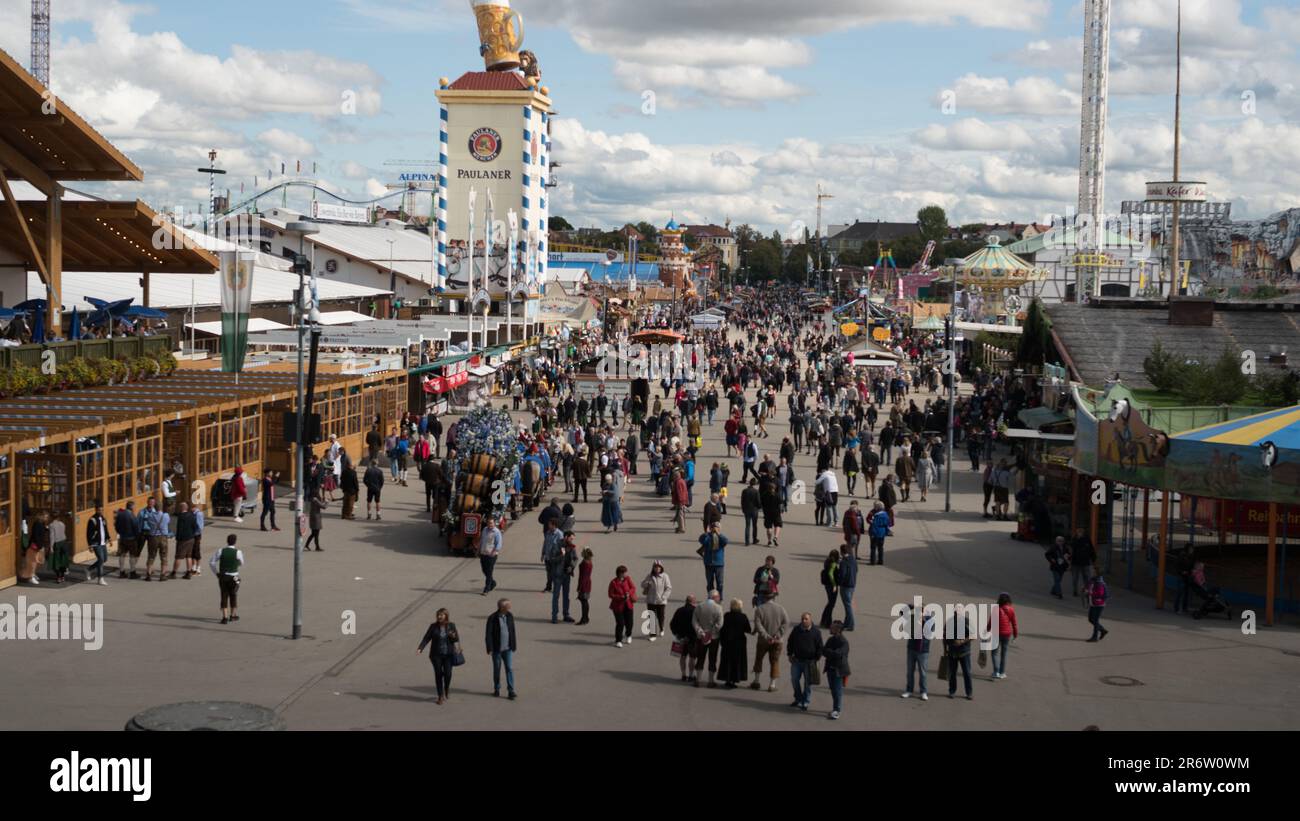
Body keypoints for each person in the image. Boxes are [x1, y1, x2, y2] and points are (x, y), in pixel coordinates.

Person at [416, 608, 460, 704]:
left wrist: (453, 636)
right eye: (438, 615)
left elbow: (456, 639)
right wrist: (420, 648)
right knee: (438, 674)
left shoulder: (451, 625)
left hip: (448, 654)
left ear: (446, 616)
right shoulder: (433, 626)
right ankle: (440, 696)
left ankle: (446, 689)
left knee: (448, 674)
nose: (439, 616)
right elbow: (426, 638)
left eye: (441, 615)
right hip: (436, 655)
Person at [751, 593, 790, 692]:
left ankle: (756, 681)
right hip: (777, 641)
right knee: (774, 661)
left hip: (763, 641)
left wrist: (766, 636)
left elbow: (758, 625)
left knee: (759, 659)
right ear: (774, 598)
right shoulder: (781, 609)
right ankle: (772, 685)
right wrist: (777, 635)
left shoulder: (759, 609)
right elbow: (786, 623)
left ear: (764, 598)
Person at [787, 612, 823, 711]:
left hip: (810, 662)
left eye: (806, 619)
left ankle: (805, 701)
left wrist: (816, 658)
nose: (804, 621)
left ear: (810, 620)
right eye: (802, 619)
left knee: (808, 683)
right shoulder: (796, 630)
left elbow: (820, 647)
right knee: (794, 680)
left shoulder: (816, 632)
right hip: (797, 661)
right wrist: (789, 654)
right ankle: (798, 698)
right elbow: (790, 642)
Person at [485, 598, 518, 699]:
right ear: (502, 607)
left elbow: (512, 630)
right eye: (508, 605)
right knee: (497, 669)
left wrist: (514, 644)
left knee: (509, 668)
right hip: (496, 649)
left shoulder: (510, 616)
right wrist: (489, 648)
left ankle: (511, 690)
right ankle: (497, 688)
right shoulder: (492, 618)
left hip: (507, 648)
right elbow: (488, 634)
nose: (510, 607)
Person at [691, 590, 724, 688]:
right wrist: (711, 632)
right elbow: (720, 624)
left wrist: (700, 631)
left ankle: (698, 679)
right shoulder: (718, 608)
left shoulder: (699, 606)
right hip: (714, 637)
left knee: (700, 657)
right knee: (712, 658)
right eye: (718, 597)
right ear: (715, 597)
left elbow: (694, 621)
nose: (719, 598)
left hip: (701, 637)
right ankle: (711, 681)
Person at [209, 534, 244, 624]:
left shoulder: (220, 551)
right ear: (235, 542)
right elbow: (241, 563)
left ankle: (224, 617)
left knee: (224, 595)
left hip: (223, 576)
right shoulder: (238, 552)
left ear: (227, 541)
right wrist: (236, 565)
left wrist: (216, 573)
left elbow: (212, 562)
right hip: (234, 576)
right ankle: (232, 615)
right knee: (234, 594)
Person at [718, 599, 752, 689]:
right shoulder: (743, 617)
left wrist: (721, 640)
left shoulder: (726, 616)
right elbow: (748, 629)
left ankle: (727, 679)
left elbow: (722, 629)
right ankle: (734, 679)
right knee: (737, 662)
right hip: (739, 643)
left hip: (727, 642)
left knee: (727, 661)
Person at [902, 603, 932, 700]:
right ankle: (909, 690)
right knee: (910, 672)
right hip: (911, 649)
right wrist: (911, 606)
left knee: (922, 673)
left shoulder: (929, 621)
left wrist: (924, 621)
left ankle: (923, 692)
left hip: (923, 651)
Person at [822, 621, 850, 720]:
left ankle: (837, 710)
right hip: (830, 669)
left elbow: (839, 654)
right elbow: (824, 651)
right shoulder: (830, 639)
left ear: (838, 630)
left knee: (837, 690)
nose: (830, 628)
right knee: (833, 690)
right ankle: (835, 707)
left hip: (839, 671)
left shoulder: (844, 642)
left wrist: (830, 652)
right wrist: (831, 652)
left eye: (832, 627)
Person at [944, 610, 974, 699]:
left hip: (964, 652)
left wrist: (962, 641)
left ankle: (969, 693)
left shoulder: (967, 622)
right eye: (956, 613)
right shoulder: (949, 622)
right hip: (952, 652)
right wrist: (945, 649)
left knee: (967, 673)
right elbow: (944, 636)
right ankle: (952, 691)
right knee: (952, 673)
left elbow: (973, 636)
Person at [640, 561, 672, 640]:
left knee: (661, 616)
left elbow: (668, 588)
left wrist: (663, 597)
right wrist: (647, 583)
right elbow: (642, 584)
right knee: (652, 617)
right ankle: (653, 634)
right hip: (651, 600)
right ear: (653, 568)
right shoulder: (650, 576)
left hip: (661, 601)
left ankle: (661, 628)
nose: (657, 568)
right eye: (655, 567)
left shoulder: (665, 576)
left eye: (658, 567)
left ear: (661, 568)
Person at [670, 594, 698, 683]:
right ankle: (691, 675)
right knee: (692, 657)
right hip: (692, 638)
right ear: (693, 602)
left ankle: (683, 674)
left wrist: (676, 634)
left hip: (681, 637)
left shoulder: (679, 610)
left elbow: (672, 624)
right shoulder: (695, 611)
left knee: (683, 656)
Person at [697, 521, 727, 598]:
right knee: (710, 583)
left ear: (719, 529)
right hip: (708, 563)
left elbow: (725, 541)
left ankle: (719, 597)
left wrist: (718, 533)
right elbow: (701, 540)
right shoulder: (708, 537)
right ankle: (711, 597)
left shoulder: (721, 537)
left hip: (719, 564)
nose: (714, 529)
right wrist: (706, 533)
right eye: (713, 527)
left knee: (720, 583)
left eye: (716, 527)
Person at [991, 593, 1018, 679]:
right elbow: (1014, 623)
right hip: (1007, 634)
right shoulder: (1011, 610)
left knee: (994, 653)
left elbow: (991, 621)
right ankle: (1002, 672)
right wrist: (1015, 634)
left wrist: (987, 629)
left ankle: (996, 672)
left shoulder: (996, 609)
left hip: (996, 633)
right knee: (1004, 653)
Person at [168, 502, 198, 578]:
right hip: (191, 538)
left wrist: (177, 538)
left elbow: (179, 529)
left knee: (178, 556)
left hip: (183, 540)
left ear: (182, 508)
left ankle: (174, 573)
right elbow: (195, 527)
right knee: (189, 556)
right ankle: (188, 572)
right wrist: (192, 534)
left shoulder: (181, 517)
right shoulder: (192, 515)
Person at [85, 501, 110, 586]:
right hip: (95, 543)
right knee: (101, 559)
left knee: (105, 559)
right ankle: (100, 578)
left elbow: (106, 529)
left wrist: (109, 538)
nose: (101, 511)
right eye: (99, 510)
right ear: (96, 510)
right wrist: (90, 545)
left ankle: (89, 569)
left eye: (102, 510)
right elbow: (88, 533)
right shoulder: (92, 520)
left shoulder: (103, 518)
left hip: (103, 542)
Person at [115, 500, 140, 579]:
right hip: (131, 538)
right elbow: (136, 527)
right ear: (131, 507)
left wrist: (120, 532)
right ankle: (132, 572)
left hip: (122, 538)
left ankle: (121, 571)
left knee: (122, 555)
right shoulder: (132, 516)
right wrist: (137, 537)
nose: (135, 508)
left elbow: (116, 526)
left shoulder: (120, 514)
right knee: (132, 555)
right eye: (134, 506)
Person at [836, 544, 857, 631]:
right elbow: (857, 570)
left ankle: (851, 624)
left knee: (847, 605)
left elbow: (843, 575)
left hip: (845, 586)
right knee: (847, 604)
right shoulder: (853, 559)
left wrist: (838, 582)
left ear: (841, 552)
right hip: (852, 584)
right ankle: (847, 622)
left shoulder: (843, 562)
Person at [479, 518, 502, 596]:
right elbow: (481, 540)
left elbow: (498, 544)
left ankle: (486, 589)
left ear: (494, 523)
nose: (490, 525)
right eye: (489, 523)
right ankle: (493, 583)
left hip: (491, 555)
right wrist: (478, 550)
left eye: (491, 523)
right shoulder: (484, 530)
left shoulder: (496, 532)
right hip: (483, 554)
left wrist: (494, 552)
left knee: (489, 572)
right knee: (484, 570)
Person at [1070, 527, 1096, 598]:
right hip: (1075, 562)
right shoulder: (1074, 539)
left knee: (1086, 578)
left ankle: (1087, 591)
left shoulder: (1087, 540)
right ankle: (1075, 590)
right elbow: (1072, 549)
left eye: (1081, 532)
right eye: (1079, 532)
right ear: (1077, 532)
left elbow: (1092, 550)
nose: (1080, 533)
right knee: (1075, 578)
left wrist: (1093, 560)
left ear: (1083, 532)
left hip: (1085, 562)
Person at [819, 550, 840, 628]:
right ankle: (827, 622)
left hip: (827, 584)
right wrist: (834, 584)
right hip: (832, 585)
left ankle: (824, 620)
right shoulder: (833, 564)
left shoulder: (827, 561)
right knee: (831, 604)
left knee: (829, 603)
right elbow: (830, 574)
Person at [1085, 573, 1109, 642]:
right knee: (1091, 619)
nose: (1092, 573)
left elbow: (1099, 594)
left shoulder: (1099, 583)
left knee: (1095, 620)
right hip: (1093, 603)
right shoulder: (1093, 580)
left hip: (1099, 604)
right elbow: (1089, 586)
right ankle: (1102, 630)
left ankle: (1095, 637)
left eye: (1094, 572)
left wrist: (1089, 592)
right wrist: (1085, 589)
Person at [867, 501, 890, 566]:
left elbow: (874, 525)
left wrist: (872, 534)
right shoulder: (885, 515)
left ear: (877, 508)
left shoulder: (876, 516)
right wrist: (886, 531)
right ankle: (880, 560)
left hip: (876, 532)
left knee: (873, 547)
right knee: (880, 547)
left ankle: (872, 561)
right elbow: (887, 524)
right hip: (882, 532)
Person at [49, 514, 70, 585]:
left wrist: (51, 547)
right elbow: (63, 533)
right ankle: (63, 576)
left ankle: (58, 577)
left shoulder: (51, 525)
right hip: (64, 542)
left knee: (56, 562)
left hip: (57, 543)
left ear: (52, 517)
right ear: (59, 517)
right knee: (63, 560)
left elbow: (52, 537)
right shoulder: (62, 524)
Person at [576, 547, 595, 625]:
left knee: (584, 601)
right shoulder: (589, 562)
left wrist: (579, 587)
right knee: (585, 601)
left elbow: (583, 577)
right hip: (587, 583)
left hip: (584, 584)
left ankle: (584, 618)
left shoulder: (585, 563)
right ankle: (586, 617)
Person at [740, 478, 761, 546]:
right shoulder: (756, 491)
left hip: (747, 510)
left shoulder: (744, 491)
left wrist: (743, 509)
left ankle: (747, 541)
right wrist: (759, 507)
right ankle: (754, 539)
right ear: (754, 484)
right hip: (754, 510)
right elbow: (758, 501)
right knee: (754, 525)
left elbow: (742, 501)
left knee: (747, 525)